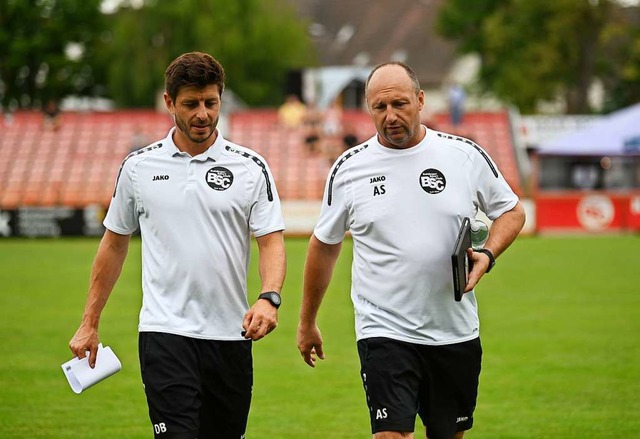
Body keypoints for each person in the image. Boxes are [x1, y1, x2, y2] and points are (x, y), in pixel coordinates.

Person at [297, 62, 525, 439]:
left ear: (420, 101)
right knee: (391, 435)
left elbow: (512, 212)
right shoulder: (350, 169)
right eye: (379, 108)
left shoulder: (463, 156)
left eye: (400, 104)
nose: (390, 116)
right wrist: (307, 322)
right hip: (383, 329)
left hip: (453, 331)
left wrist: (487, 255)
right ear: (368, 109)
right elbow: (324, 244)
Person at [69, 51, 286, 439]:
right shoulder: (138, 167)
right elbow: (114, 244)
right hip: (165, 334)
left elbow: (270, 241)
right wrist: (89, 322)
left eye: (210, 102)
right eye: (190, 104)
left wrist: (269, 298)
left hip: (230, 337)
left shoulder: (251, 167)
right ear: (169, 103)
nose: (202, 114)